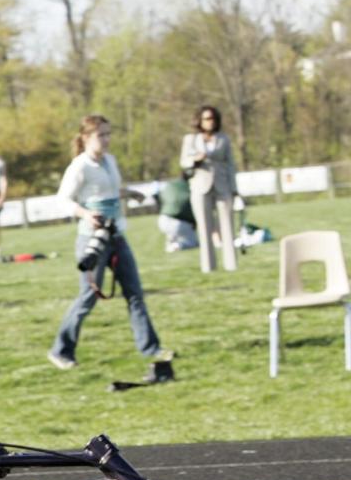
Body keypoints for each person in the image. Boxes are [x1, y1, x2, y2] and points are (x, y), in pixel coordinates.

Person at [47, 115, 169, 370]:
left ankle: (151, 348)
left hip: (117, 236)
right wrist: (85, 214)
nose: (106, 139)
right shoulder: (79, 166)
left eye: (108, 133)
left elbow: (110, 190)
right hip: (92, 240)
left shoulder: (110, 161)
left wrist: (130, 193)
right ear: (86, 138)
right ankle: (61, 351)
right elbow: (63, 200)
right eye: (101, 135)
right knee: (88, 297)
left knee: (135, 293)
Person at [180, 105, 238, 273]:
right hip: (200, 185)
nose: (210, 122)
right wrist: (195, 159)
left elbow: (231, 165)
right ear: (199, 121)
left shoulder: (223, 139)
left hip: (222, 184)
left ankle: (231, 264)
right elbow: (184, 161)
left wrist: (234, 189)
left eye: (212, 118)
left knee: (227, 225)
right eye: (206, 119)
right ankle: (208, 266)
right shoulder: (191, 139)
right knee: (204, 227)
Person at [154, 179, 198, 253]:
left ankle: (171, 241)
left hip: (162, 220)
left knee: (173, 231)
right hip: (179, 223)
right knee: (193, 244)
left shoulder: (170, 186)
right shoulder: (190, 189)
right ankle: (177, 245)